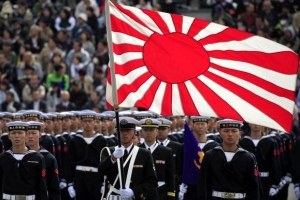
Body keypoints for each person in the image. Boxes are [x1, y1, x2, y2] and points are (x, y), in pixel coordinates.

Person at [197, 119, 260, 200]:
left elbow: (254, 188)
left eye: (234, 131)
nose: (230, 134)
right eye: (226, 131)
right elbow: (203, 184)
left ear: (240, 134)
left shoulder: (248, 157)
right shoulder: (211, 155)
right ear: (220, 133)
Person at [99, 116, 158, 200]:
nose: (124, 133)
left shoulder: (144, 154)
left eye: (128, 130)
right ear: (117, 132)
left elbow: (152, 182)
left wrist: (134, 191)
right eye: (121, 131)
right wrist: (113, 158)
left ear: (134, 132)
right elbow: (101, 171)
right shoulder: (108, 151)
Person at [65, 111, 107, 200]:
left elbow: (105, 163)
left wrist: (104, 183)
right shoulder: (75, 140)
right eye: (85, 121)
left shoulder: (101, 140)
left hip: (96, 178)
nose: (87, 123)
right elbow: (69, 163)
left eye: (90, 121)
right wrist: (70, 183)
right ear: (81, 122)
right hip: (79, 178)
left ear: (94, 122)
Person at [0, 121, 48, 199]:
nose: (16, 136)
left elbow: (41, 186)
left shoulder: (37, 157)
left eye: (20, 133)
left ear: (26, 135)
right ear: (9, 136)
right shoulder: (3, 158)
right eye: (13, 133)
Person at [139, 118, 175, 200]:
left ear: (157, 131)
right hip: (141, 192)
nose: (148, 133)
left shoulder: (166, 151)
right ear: (142, 132)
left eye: (151, 130)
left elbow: (170, 175)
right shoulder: (137, 150)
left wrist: (171, 194)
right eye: (145, 130)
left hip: (161, 192)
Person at [26, 121, 60, 200]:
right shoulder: (20, 156)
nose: (30, 136)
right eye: (28, 133)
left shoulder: (48, 157)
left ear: (40, 135)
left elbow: (54, 186)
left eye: (34, 133)